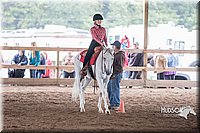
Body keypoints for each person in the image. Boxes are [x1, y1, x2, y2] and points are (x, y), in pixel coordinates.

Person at [107, 41, 125, 110]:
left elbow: (119, 66)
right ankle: (112, 103)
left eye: (113, 46)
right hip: (113, 73)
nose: (112, 47)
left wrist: (114, 73)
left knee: (115, 88)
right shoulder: (114, 54)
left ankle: (116, 103)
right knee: (110, 88)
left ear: (116, 47)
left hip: (116, 73)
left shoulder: (120, 55)